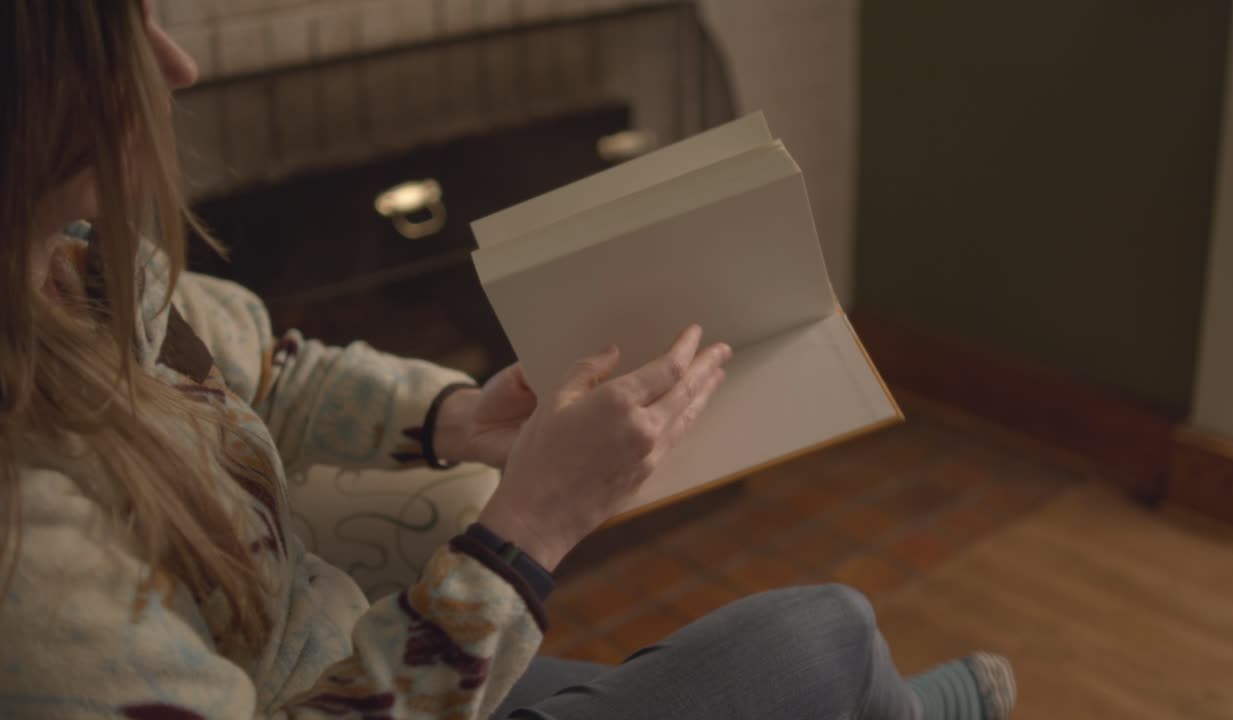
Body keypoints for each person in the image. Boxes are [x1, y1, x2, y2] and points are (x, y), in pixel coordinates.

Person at [0, 3, 1016, 719]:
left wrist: (453, 417)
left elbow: (268, 369)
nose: (173, 65)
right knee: (823, 636)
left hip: (345, 647)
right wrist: (525, 529)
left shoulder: (83, 269)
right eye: (117, 33)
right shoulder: (27, 562)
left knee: (806, 666)